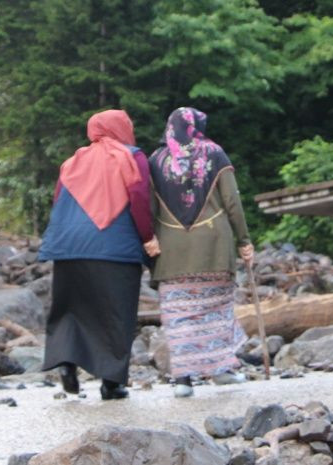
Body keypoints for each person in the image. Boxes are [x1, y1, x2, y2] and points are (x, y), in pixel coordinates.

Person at [37, 109, 159, 400]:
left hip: (68, 249)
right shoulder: (132, 157)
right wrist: (147, 237)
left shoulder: (72, 162)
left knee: (70, 308)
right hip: (114, 248)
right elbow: (140, 200)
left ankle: (66, 364)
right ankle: (111, 382)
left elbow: (58, 201)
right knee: (116, 313)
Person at [148, 106, 254, 398]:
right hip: (213, 245)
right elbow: (232, 201)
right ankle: (220, 371)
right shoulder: (214, 153)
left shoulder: (155, 160)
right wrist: (244, 240)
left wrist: (148, 242)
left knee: (178, 314)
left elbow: (148, 207)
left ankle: (183, 380)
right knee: (215, 310)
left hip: (172, 250)